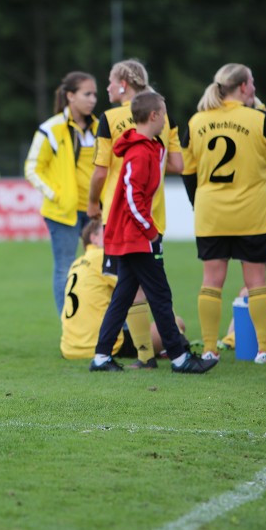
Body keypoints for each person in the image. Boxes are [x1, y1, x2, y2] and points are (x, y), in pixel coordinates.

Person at [89, 91, 213, 374]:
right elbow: (133, 194)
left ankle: (100, 357)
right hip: (135, 236)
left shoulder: (149, 147)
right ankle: (180, 359)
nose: (167, 119)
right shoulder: (139, 151)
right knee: (159, 294)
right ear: (154, 116)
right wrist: (150, 230)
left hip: (131, 234)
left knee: (123, 296)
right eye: (165, 113)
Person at [183, 63, 266, 363]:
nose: (254, 88)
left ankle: (208, 348)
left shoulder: (196, 121)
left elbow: (187, 173)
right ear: (243, 87)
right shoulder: (259, 119)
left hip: (211, 213)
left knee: (211, 282)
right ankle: (265, 351)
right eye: (252, 83)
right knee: (257, 282)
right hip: (252, 214)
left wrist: (199, 202)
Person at [85, 59, 184, 367]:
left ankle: (123, 355)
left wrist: (92, 203)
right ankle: (176, 357)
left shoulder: (110, 118)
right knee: (153, 290)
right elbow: (179, 165)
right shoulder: (160, 119)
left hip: (121, 213)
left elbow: (101, 172)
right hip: (146, 217)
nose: (107, 87)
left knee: (129, 289)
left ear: (123, 84)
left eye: (110, 81)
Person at [25, 71, 98, 315]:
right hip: (63, 211)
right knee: (64, 269)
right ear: (70, 96)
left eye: (95, 94)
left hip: (96, 210)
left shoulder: (100, 129)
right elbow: (32, 168)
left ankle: (105, 327)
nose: (93, 99)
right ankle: (69, 328)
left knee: (104, 267)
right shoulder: (50, 128)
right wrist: (55, 194)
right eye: (87, 94)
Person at [60, 219, 185, 363]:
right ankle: (158, 354)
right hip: (103, 345)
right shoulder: (102, 258)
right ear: (93, 238)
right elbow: (141, 291)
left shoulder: (77, 263)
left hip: (69, 348)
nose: (114, 234)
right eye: (107, 230)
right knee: (178, 323)